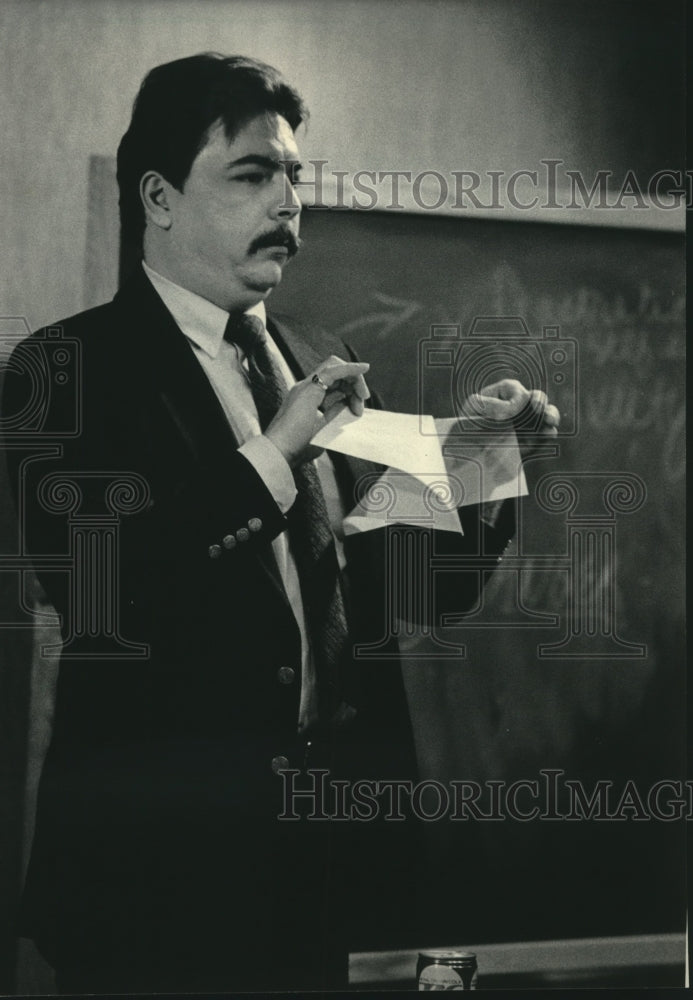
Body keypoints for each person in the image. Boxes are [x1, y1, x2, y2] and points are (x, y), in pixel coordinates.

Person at [2, 53, 559, 993]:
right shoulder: (62, 370)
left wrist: (480, 461)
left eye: (293, 175)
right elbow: (104, 592)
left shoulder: (317, 353)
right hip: (159, 887)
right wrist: (272, 457)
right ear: (160, 197)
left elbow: (392, 595)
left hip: (331, 868)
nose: (288, 201)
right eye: (252, 175)